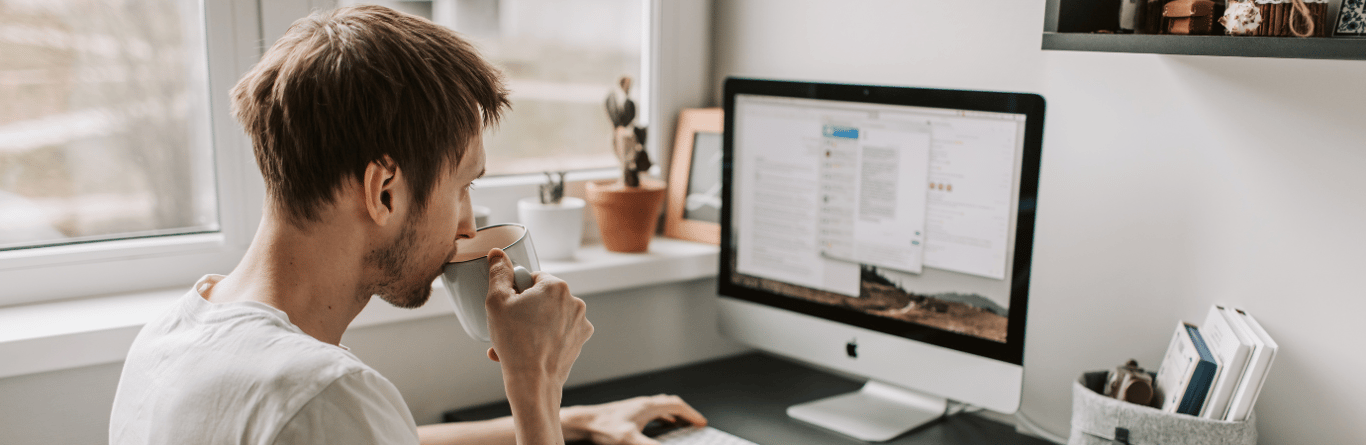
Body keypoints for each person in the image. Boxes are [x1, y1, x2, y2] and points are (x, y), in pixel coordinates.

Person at [109, 5, 706, 445]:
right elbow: (332, 419)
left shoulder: (172, 335)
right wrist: (537, 387)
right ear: (384, 191)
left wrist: (578, 421)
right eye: (462, 187)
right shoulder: (322, 395)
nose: (469, 224)